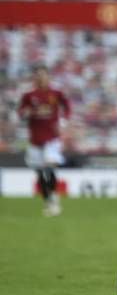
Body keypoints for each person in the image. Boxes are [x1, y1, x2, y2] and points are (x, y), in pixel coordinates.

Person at [17, 65, 71, 217]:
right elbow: (21, 112)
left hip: (52, 138)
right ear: (35, 78)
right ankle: (48, 200)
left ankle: (54, 197)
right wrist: (26, 113)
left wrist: (63, 120)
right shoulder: (29, 95)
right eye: (38, 75)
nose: (41, 78)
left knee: (50, 168)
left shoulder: (56, 93)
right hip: (35, 139)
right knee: (40, 173)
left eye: (44, 75)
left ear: (48, 77)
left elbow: (67, 106)